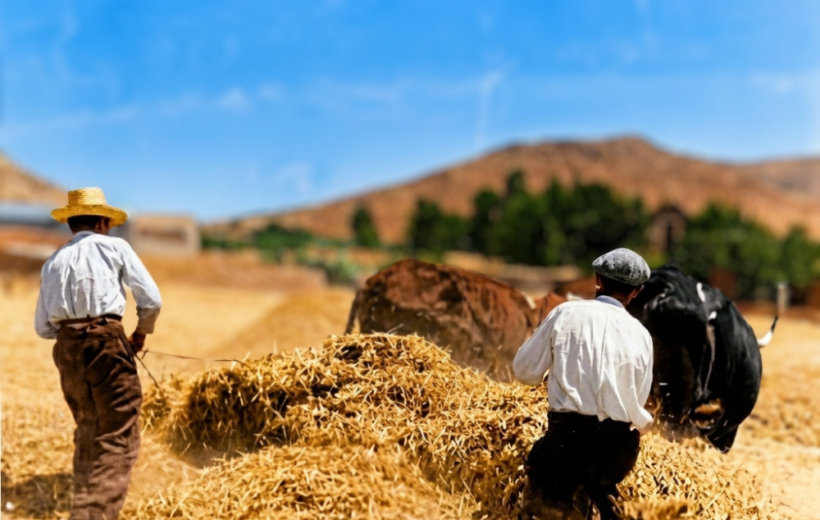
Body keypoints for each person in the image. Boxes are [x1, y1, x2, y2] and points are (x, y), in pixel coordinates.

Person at [35, 187, 162, 520]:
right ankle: (93, 515)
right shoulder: (116, 247)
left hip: (66, 348)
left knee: (88, 426)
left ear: (71, 224)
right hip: (106, 342)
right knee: (117, 430)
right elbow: (151, 300)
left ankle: (84, 501)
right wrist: (138, 334)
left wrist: (73, 335)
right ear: (104, 221)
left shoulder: (53, 262)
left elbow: (43, 328)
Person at [513, 248, 653, 520]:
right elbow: (638, 399)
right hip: (617, 450)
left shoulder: (565, 313)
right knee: (602, 478)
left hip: (568, 441)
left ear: (597, 280)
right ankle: (607, 502)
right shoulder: (642, 334)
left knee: (542, 475)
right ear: (636, 292)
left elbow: (525, 372)